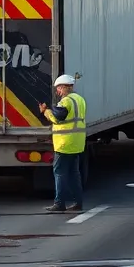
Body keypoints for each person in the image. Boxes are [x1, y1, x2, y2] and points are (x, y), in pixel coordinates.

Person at [40, 73, 87, 213]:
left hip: (64, 143)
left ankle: (59, 203)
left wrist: (46, 111)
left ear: (66, 87)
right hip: (77, 142)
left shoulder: (66, 101)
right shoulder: (80, 99)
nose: (57, 91)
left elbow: (58, 118)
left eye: (59, 88)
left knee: (59, 173)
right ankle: (78, 203)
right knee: (74, 174)